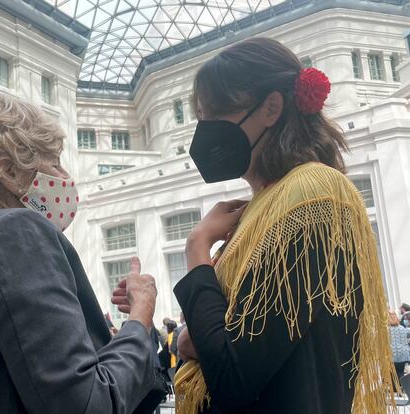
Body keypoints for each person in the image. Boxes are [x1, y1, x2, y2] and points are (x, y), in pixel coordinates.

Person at [170, 38, 398, 413]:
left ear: (271, 108)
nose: (205, 131)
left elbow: (231, 372)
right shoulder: (267, 205)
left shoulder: (313, 194)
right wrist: (196, 337)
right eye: (200, 119)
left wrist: (197, 249)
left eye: (214, 114)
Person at [0, 94, 158, 413]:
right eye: (54, 162)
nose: (65, 178)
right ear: (8, 170)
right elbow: (88, 404)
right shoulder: (16, 230)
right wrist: (140, 318)